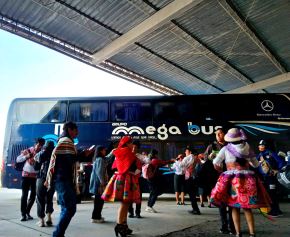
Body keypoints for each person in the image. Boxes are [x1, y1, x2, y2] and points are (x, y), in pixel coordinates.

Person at [210, 128, 271, 237]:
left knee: (234, 207)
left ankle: (238, 233)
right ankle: (252, 233)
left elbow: (216, 162)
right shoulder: (247, 147)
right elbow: (256, 164)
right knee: (247, 208)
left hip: (233, 180)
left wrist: (221, 167)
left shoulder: (225, 148)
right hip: (248, 179)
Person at [45, 121, 93, 237]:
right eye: (76, 130)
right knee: (70, 208)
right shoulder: (66, 141)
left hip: (61, 179)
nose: (77, 132)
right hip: (63, 179)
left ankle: (59, 234)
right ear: (70, 130)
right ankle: (57, 234)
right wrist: (84, 154)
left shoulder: (63, 141)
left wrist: (82, 153)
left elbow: (69, 157)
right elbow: (70, 159)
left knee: (64, 208)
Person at [101, 136, 141, 237]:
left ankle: (123, 225)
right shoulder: (127, 152)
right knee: (125, 203)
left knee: (125, 204)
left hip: (121, 178)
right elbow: (131, 167)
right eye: (131, 142)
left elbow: (115, 166)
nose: (132, 144)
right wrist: (138, 167)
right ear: (127, 143)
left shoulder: (119, 151)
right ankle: (119, 225)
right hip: (126, 179)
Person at [204, 128, 235, 234]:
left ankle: (233, 226)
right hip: (218, 178)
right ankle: (224, 226)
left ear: (225, 134)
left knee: (232, 202)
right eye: (216, 134)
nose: (218, 135)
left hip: (231, 177)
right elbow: (205, 159)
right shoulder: (211, 147)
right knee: (221, 203)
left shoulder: (231, 145)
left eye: (220, 133)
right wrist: (208, 157)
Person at [16, 137, 45, 221]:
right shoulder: (28, 150)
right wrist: (27, 156)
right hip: (25, 176)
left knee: (33, 196)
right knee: (24, 195)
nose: (40, 147)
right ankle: (23, 214)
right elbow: (18, 159)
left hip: (35, 177)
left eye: (41, 145)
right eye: (39, 145)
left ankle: (27, 212)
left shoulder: (42, 153)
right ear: (35, 144)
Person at [256, 139, 286, 217]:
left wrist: (278, 170)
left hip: (271, 178)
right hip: (265, 178)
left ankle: (275, 211)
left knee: (272, 194)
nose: (260, 147)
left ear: (266, 146)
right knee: (270, 194)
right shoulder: (260, 155)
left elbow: (281, 162)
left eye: (262, 145)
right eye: (259, 145)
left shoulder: (271, 153)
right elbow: (255, 163)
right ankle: (275, 210)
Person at [89, 145, 115, 223]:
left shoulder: (101, 159)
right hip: (98, 184)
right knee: (98, 201)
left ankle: (97, 216)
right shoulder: (100, 159)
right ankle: (95, 217)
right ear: (100, 151)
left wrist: (112, 152)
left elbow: (107, 158)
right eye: (104, 150)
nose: (105, 151)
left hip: (99, 183)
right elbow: (99, 172)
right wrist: (103, 182)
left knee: (99, 200)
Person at [145, 149, 174, 213]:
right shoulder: (155, 160)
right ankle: (150, 206)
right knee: (155, 192)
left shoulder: (149, 159)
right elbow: (164, 162)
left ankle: (148, 206)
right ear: (155, 154)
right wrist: (171, 161)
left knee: (152, 192)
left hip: (149, 178)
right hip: (154, 179)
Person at [34, 140, 55, 227]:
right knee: (49, 199)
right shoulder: (55, 154)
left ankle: (41, 220)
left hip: (41, 178)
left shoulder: (41, 154)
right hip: (52, 179)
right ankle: (49, 218)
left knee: (40, 199)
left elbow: (36, 167)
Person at [128, 140, 150, 218]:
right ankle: (130, 212)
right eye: (132, 146)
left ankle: (138, 213)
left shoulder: (139, 156)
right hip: (129, 178)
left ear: (138, 148)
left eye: (136, 147)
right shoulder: (127, 155)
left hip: (137, 179)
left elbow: (148, 161)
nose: (134, 148)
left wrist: (143, 159)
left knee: (138, 196)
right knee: (129, 196)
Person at [183, 146, 201, 215]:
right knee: (192, 194)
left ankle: (196, 210)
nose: (185, 152)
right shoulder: (196, 158)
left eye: (186, 151)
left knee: (191, 194)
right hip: (194, 177)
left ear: (190, 152)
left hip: (190, 178)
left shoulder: (189, 157)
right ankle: (195, 209)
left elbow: (182, 165)